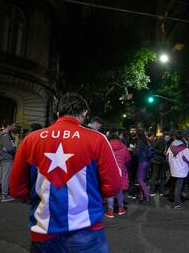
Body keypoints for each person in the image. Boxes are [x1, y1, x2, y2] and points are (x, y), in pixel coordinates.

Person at [10, 93, 122, 252]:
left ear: (58, 114)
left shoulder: (30, 140)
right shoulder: (97, 139)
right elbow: (113, 186)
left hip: (44, 231)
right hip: (86, 230)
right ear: (84, 114)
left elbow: (17, 189)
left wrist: (39, 197)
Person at [166, 130, 189, 209]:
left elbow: (167, 158)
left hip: (173, 169)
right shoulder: (185, 149)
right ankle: (177, 203)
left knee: (174, 185)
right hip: (182, 170)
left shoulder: (170, 147)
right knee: (179, 186)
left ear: (174, 137)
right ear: (182, 137)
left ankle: (173, 198)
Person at [105, 129, 131, 218]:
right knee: (119, 190)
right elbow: (128, 159)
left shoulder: (106, 146)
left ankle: (110, 211)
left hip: (109, 170)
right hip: (121, 170)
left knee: (110, 191)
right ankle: (121, 209)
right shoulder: (123, 147)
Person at [0, 121, 17, 201]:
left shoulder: (0, 134)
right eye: (13, 125)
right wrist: (14, 149)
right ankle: (5, 196)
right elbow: (10, 149)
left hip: (0, 158)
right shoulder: (6, 136)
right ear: (9, 126)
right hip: (7, 158)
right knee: (5, 177)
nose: (14, 127)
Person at [135, 130, 152, 202]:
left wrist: (133, 149)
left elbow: (137, 153)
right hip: (146, 161)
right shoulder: (146, 141)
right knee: (142, 179)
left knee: (139, 179)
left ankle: (146, 195)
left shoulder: (140, 142)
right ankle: (142, 196)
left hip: (142, 161)